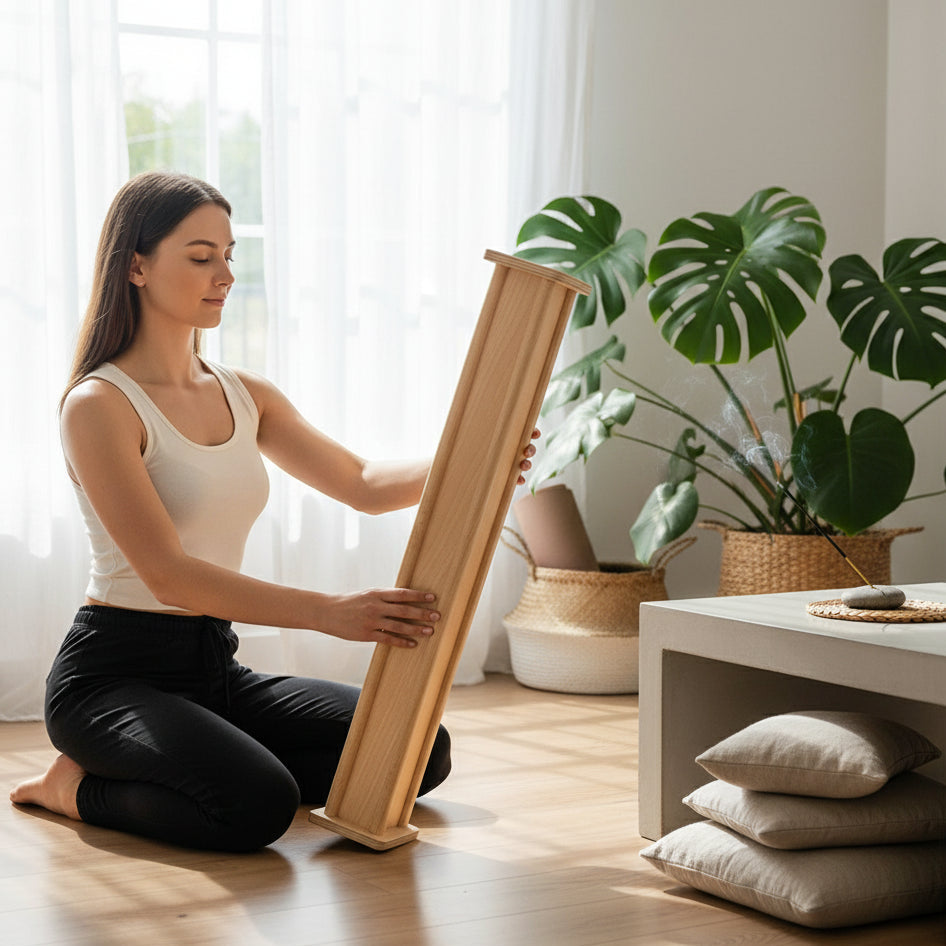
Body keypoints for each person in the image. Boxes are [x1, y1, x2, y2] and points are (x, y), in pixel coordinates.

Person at [10, 170, 537, 852]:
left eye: (229, 255)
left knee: (415, 753)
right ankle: (72, 787)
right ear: (135, 265)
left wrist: (479, 461)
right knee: (255, 807)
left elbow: (364, 482)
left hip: (215, 670)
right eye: (201, 257)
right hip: (114, 677)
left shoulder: (244, 392)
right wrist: (328, 611)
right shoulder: (99, 405)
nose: (223, 274)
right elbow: (169, 575)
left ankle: (207, 758)